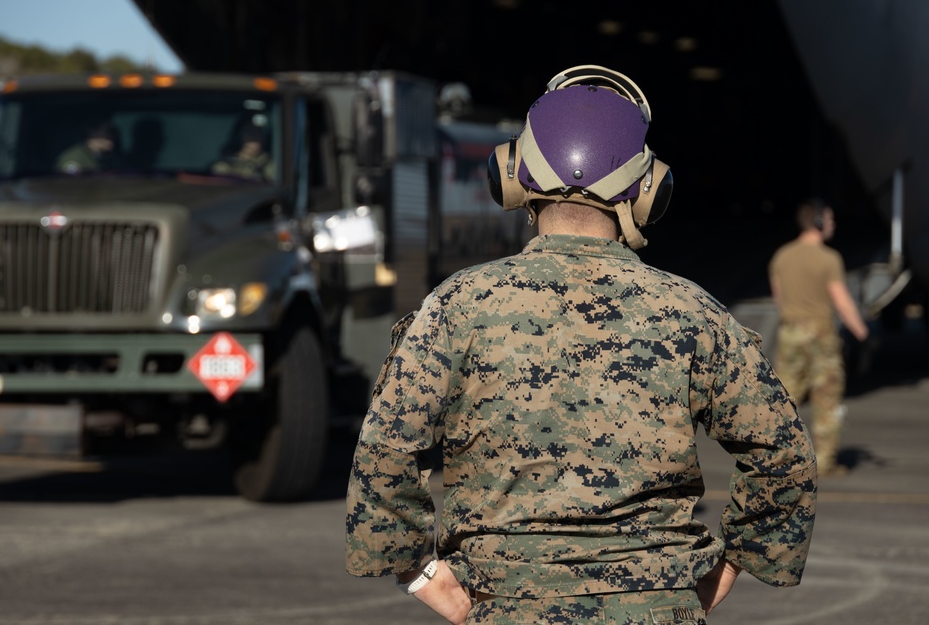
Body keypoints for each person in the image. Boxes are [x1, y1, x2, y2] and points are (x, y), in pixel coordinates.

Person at [345, 65, 817, 624]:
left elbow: (384, 451)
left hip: (503, 607)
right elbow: (784, 455)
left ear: (513, 177)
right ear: (648, 192)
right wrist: (725, 571)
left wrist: (422, 575)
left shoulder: (457, 306)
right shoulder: (693, 312)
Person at [769, 198, 869, 477]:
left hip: (790, 333)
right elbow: (842, 302)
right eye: (830, 219)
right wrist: (862, 333)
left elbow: (779, 298)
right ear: (818, 222)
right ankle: (824, 462)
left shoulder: (782, 256)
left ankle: (778, 457)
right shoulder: (829, 258)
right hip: (821, 335)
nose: (833, 224)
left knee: (785, 400)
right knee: (826, 400)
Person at [55, 118, 122, 174]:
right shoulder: (74, 158)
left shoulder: (108, 157)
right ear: (92, 131)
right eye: (108, 131)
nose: (112, 136)